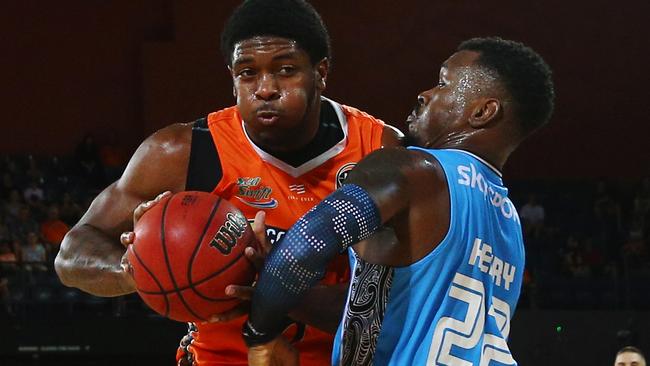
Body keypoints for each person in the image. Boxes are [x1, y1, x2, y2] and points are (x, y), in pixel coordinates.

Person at [54, 0, 402, 365]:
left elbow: (411, 294)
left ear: (321, 72)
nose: (265, 89)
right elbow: (72, 254)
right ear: (232, 79)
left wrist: (279, 286)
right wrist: (138, 268)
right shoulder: (183, 151)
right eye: (247, 73)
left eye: (285, 70)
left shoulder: (379, 152)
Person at [243, 37, 555, 365]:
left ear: (482, 112)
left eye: (442, 84)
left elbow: (309, 242)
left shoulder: (410, 168)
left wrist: (261, 333)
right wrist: (277, 293)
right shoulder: (509, 225)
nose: (425, 94)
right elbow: (370, 315)